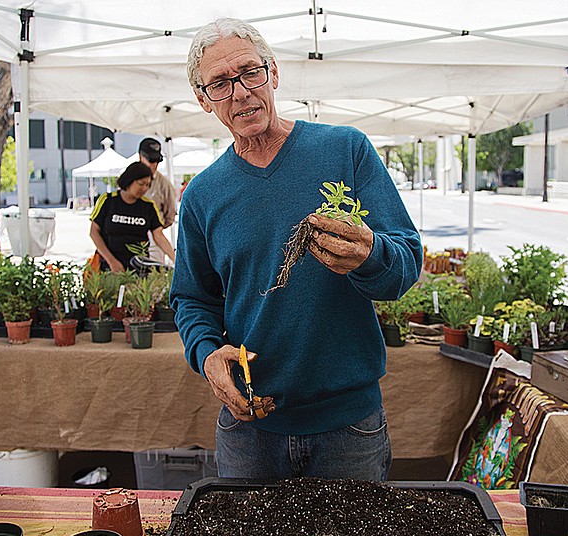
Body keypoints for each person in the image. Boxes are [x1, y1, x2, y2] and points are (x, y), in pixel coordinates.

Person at [169, 18, 421, 481]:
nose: (241, 92)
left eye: (250, 72)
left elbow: (404, 263)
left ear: (274, 73)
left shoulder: (346, 151)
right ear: (204, 101)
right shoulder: (203, 195)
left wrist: (370, 255)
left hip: (349, 427)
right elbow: (192, 298)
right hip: (251, 426)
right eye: (221, 84)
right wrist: (206, 353)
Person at [89, 161, 174, 273]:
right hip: (108, 266)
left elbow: (159, 236)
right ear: (130, 180)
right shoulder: (108, 200)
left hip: (138, 267)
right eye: (141, 184)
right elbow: (94, 232)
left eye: (148, 185)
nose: (144, 188)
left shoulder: (148, 206)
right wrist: (111, 260)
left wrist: (176, 260)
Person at [138, 137, 177, 263]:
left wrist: (156, 227)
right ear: (140, 157)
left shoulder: (164, 184)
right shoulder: (127, 179)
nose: (154, 164)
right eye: (150, 160)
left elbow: (170, 215)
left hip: (155, 238)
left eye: (157, 160)